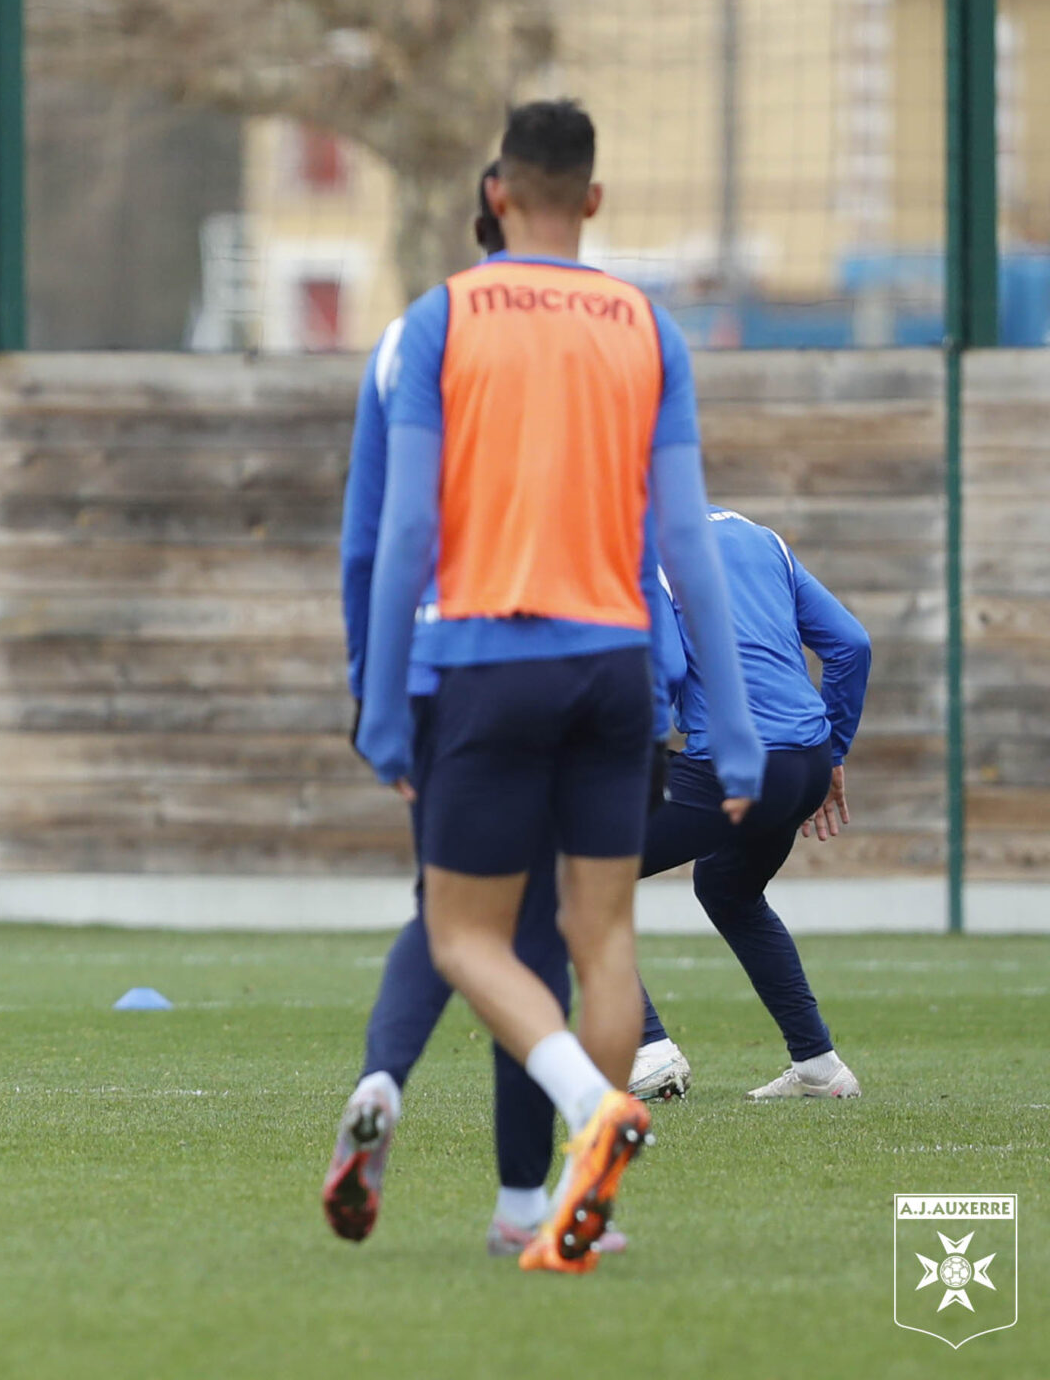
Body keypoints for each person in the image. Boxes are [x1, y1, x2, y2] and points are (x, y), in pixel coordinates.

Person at [357, 99, 765, 1273]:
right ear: (591, 199)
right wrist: (731, 728)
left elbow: (405, 531)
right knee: (601, 935)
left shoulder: (443, 318)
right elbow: (687, 542)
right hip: (616, 669)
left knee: (462, 935)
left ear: (497, 194)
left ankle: (592, 1115)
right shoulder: (649, 327)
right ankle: (584, 1199)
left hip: (491, 661)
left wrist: (385, 704)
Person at [325, 165, 646, 1256]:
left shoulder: (418, 338)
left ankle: (380, 1081)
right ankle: (528, 1201)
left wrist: (368, 681)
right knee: (538, 936)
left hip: (432, 666)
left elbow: (368, 536)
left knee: (449, 912)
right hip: (546, 649)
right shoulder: (594, 336)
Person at [627, 511, 871, 1101]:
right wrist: (833, 753)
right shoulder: (760, 537)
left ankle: (650, 1050)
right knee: (728, 888)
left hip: (733, 766)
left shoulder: (642, 547)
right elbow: (851, 645)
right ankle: (819, 1066)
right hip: (806, 761)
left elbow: (666, 667)